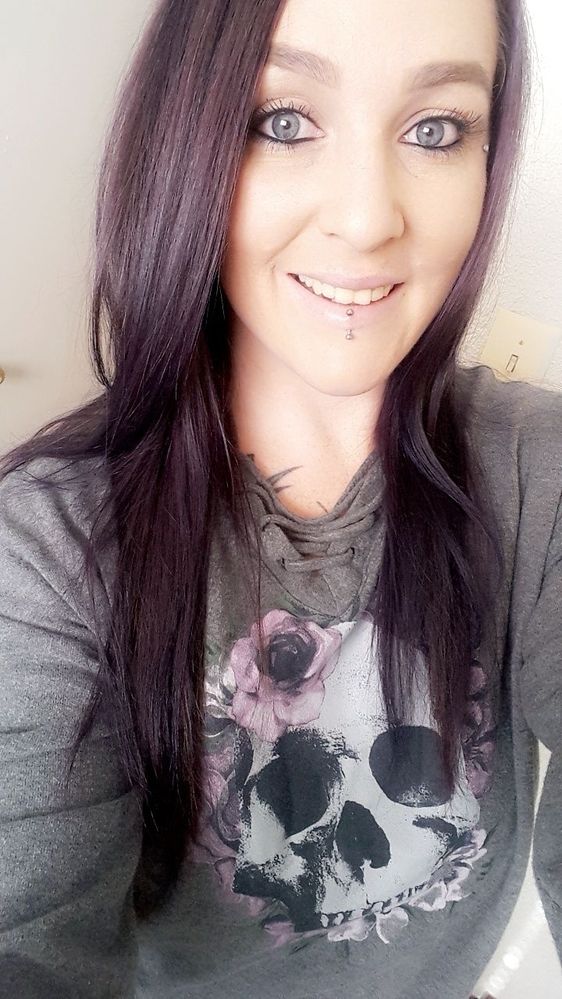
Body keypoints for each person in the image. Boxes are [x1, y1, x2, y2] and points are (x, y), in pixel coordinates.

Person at [0, 0, 560, 997]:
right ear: (187, 141)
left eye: (436, 129)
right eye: (285, 120)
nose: (368, 219)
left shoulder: (536, 470)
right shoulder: (46, 552)